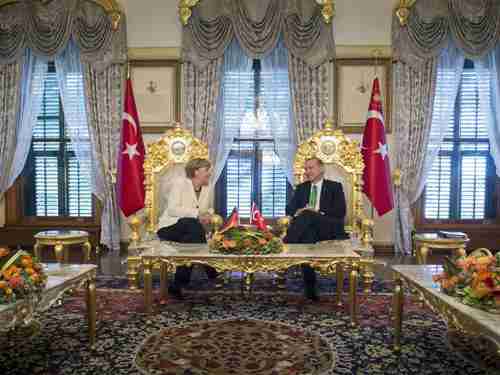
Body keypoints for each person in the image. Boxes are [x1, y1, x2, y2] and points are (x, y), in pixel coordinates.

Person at [284, 157, 348, 301]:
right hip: (308, 229)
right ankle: (310, 287)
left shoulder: (335, 187)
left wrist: (316, 213)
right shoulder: (302, 188)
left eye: (310, 168)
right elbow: (289, 209)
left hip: (328, 228)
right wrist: (299, 211)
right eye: (306, 169)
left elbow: (340, 211)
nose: (307, 172)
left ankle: (286, 244)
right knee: (307, 238)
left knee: (308, 214)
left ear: (321, 169)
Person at [157, 158, 217, 299]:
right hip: (170, 228)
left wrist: (209, 214)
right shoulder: (180, 184)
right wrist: (197, 214)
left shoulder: (208, 188)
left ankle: (177, 285)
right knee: (191, 222)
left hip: (191, 231)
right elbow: (172, 209)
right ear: (196, 171)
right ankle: (210, 268)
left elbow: (207, 208)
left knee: (189, 240)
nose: (209, 173)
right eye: (207, 170)